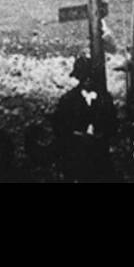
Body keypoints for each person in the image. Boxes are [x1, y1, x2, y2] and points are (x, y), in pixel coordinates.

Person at [49, 54, 118, 182]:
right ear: (78, 78)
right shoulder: (68, 100)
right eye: (83, 77)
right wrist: (78, 136)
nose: (87, 80)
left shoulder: (104, 99)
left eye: (90, 77)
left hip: (100, 156)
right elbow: (59, 128)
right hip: (76, 156)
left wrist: (101, 134)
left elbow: (113, 124)